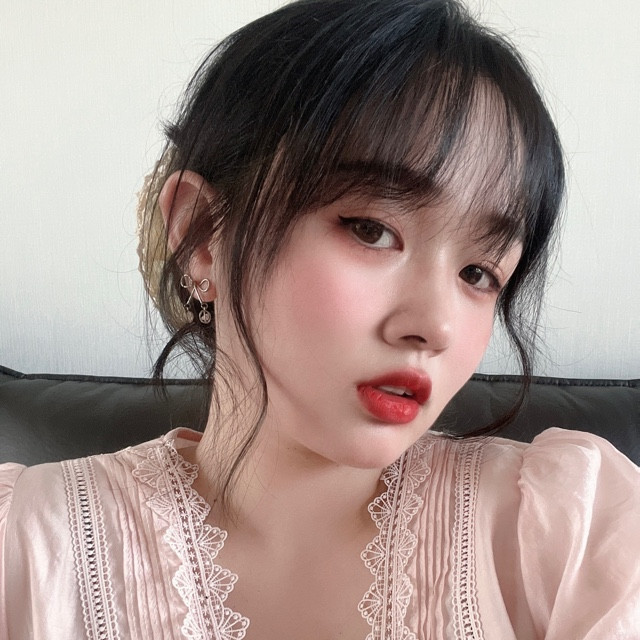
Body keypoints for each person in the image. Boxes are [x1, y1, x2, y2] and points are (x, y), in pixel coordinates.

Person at [1, 0, 639, 638]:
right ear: (202, 233)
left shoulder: (575, 533)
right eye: (372, 229)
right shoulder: (26, 549)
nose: (436, 326)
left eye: (479, 273)